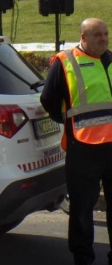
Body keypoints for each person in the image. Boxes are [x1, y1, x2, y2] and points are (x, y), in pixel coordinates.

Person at [40, 18, 112, 265]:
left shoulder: (111, 60)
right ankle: (83, 258)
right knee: (82, 208)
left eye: (106, 34)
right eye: (97, 35)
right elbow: (49, 100)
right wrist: (69, 123)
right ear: (83, 37)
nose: (103, 38)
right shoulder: (66, 61)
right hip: (83, 148)